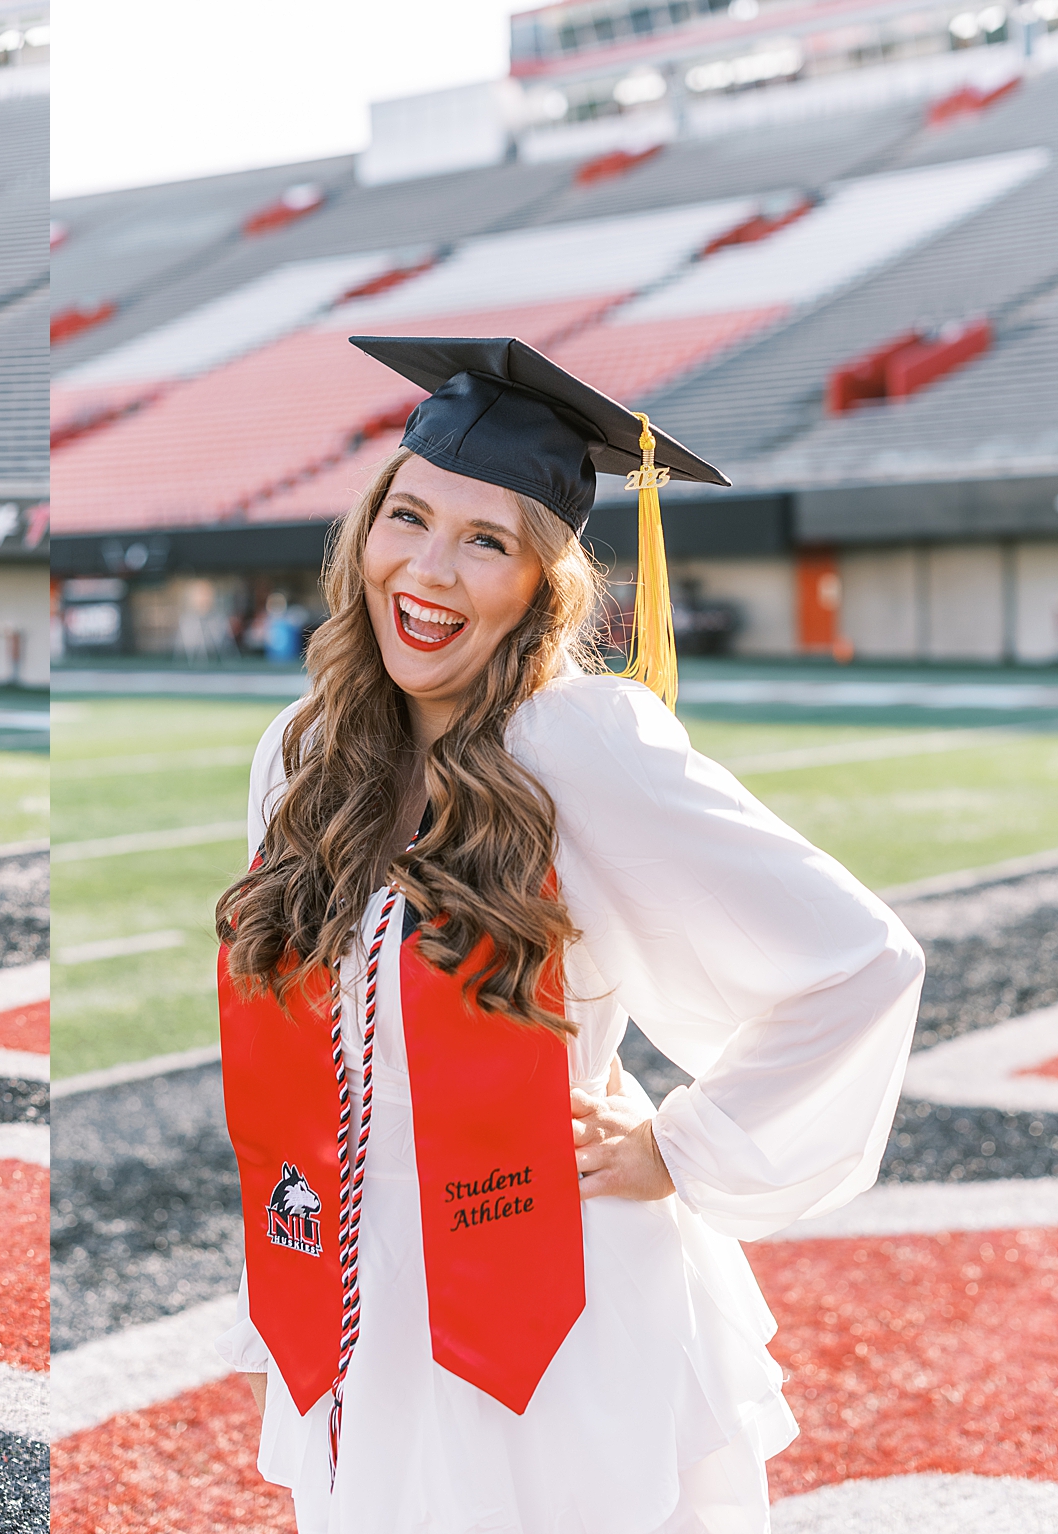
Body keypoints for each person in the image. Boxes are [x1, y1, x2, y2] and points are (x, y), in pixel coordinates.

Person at [212, 337, 924, 1534]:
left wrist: (681, 1149)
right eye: (408, 516)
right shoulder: (300, 751)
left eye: (485, 540)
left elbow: (859, 960)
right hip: (353, 1289)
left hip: (543, 1288)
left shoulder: (578, 744)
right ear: (363, 530)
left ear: (540, 583)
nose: (426, 570)